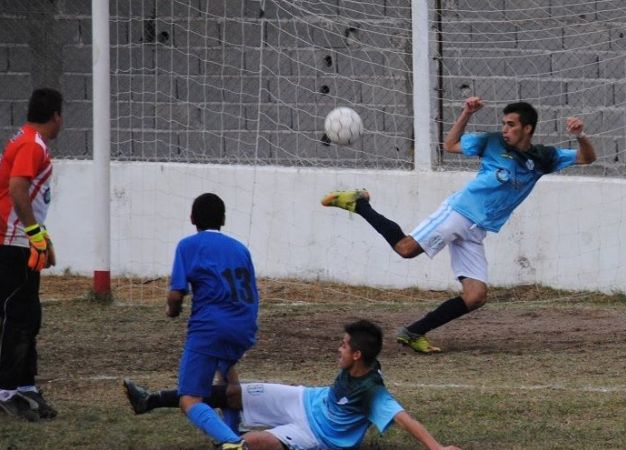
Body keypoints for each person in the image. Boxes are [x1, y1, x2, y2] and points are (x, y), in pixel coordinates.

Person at [321, 97, 597, 353]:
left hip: (477, 230)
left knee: (476, 296)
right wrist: (466, 113)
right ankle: (360, 204)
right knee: (406, 249)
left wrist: (580, 135)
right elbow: (450, 145)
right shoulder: (491, 142)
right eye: (503, 123)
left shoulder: (543, 157)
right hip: (459, 213)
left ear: (528, 128)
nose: (504, 129)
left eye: (511, 125)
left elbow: (587, 158)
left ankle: (413, 332)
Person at [124, 320, 461, 450]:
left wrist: (437, 448)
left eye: (344, 346)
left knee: (250, 443)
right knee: (233, 394)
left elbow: (404, 418)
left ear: (357, 355)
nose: (338, 349)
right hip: (304, 399)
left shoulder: (373, 392)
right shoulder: (362, 364)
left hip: (316, 436)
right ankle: (150, 401)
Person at [0, 88, 63, 421]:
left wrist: (41, 236)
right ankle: (6, 392)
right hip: (5, 242)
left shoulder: (28, 139)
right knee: (17, 316)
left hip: (15, 240)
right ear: (55, 116)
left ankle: (25, 386)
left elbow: (28, 198)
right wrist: (33, 234)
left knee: (29, 315)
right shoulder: (31, 145)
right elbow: (17, 188)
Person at [162, 192, 260, 450]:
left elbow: (176, 293)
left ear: (192, 218)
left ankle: (233, 443)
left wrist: (172, 310)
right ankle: (232, 430)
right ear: (223, 220)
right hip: (244, 326)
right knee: (228, 379)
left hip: (211, 327)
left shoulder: (188, 245)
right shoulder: (240, 248)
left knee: (190, 399)